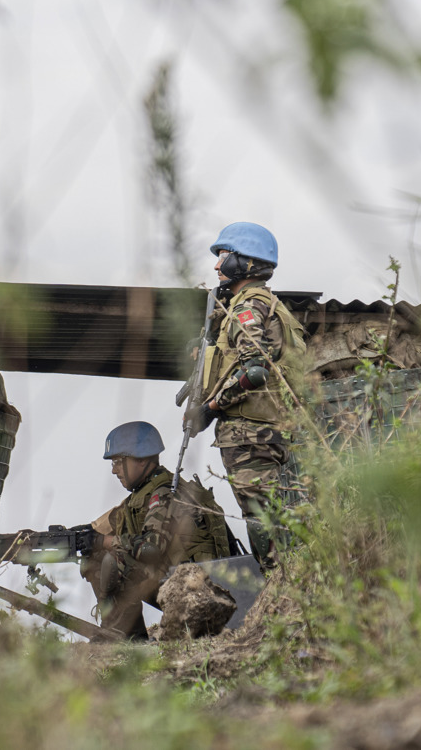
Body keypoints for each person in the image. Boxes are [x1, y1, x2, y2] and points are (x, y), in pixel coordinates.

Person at [198, 221, 307, 567]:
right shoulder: (271, 305)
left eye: (224, 256)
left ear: (244, 263)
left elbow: (255, 369)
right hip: (269, 429)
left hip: (248, 433)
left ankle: (281, 587)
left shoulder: (248, 306)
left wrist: (213, 406)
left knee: (262, 519)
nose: (217, 265)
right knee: (275, 513)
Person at [80, 421, 233, 640]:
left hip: (198, 591)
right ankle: (126, 635)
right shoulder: (141, 496)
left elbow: (151, 548)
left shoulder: (164, 494)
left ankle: (125, 636)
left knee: (111, 559)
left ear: (141, 460)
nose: (114, 470)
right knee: (95, 554)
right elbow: (96, 529)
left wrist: (103, 542)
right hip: (182, 583)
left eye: (118, 462)